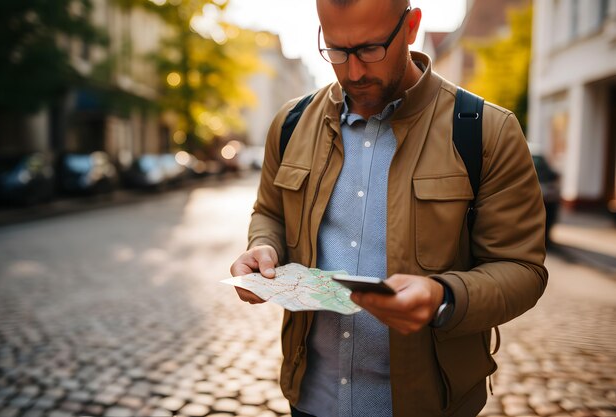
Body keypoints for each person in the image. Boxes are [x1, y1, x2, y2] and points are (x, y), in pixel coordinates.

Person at [230, 0, 548, 415]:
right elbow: (270, 212)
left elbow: (523, 269)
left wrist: (444, 296)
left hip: (430, 404)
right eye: (338, 51)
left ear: (412, 26)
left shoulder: (488, 130)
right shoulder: (290, 123)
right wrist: (263, 249)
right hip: (311, 399)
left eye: (370, 49)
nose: (354, 71)